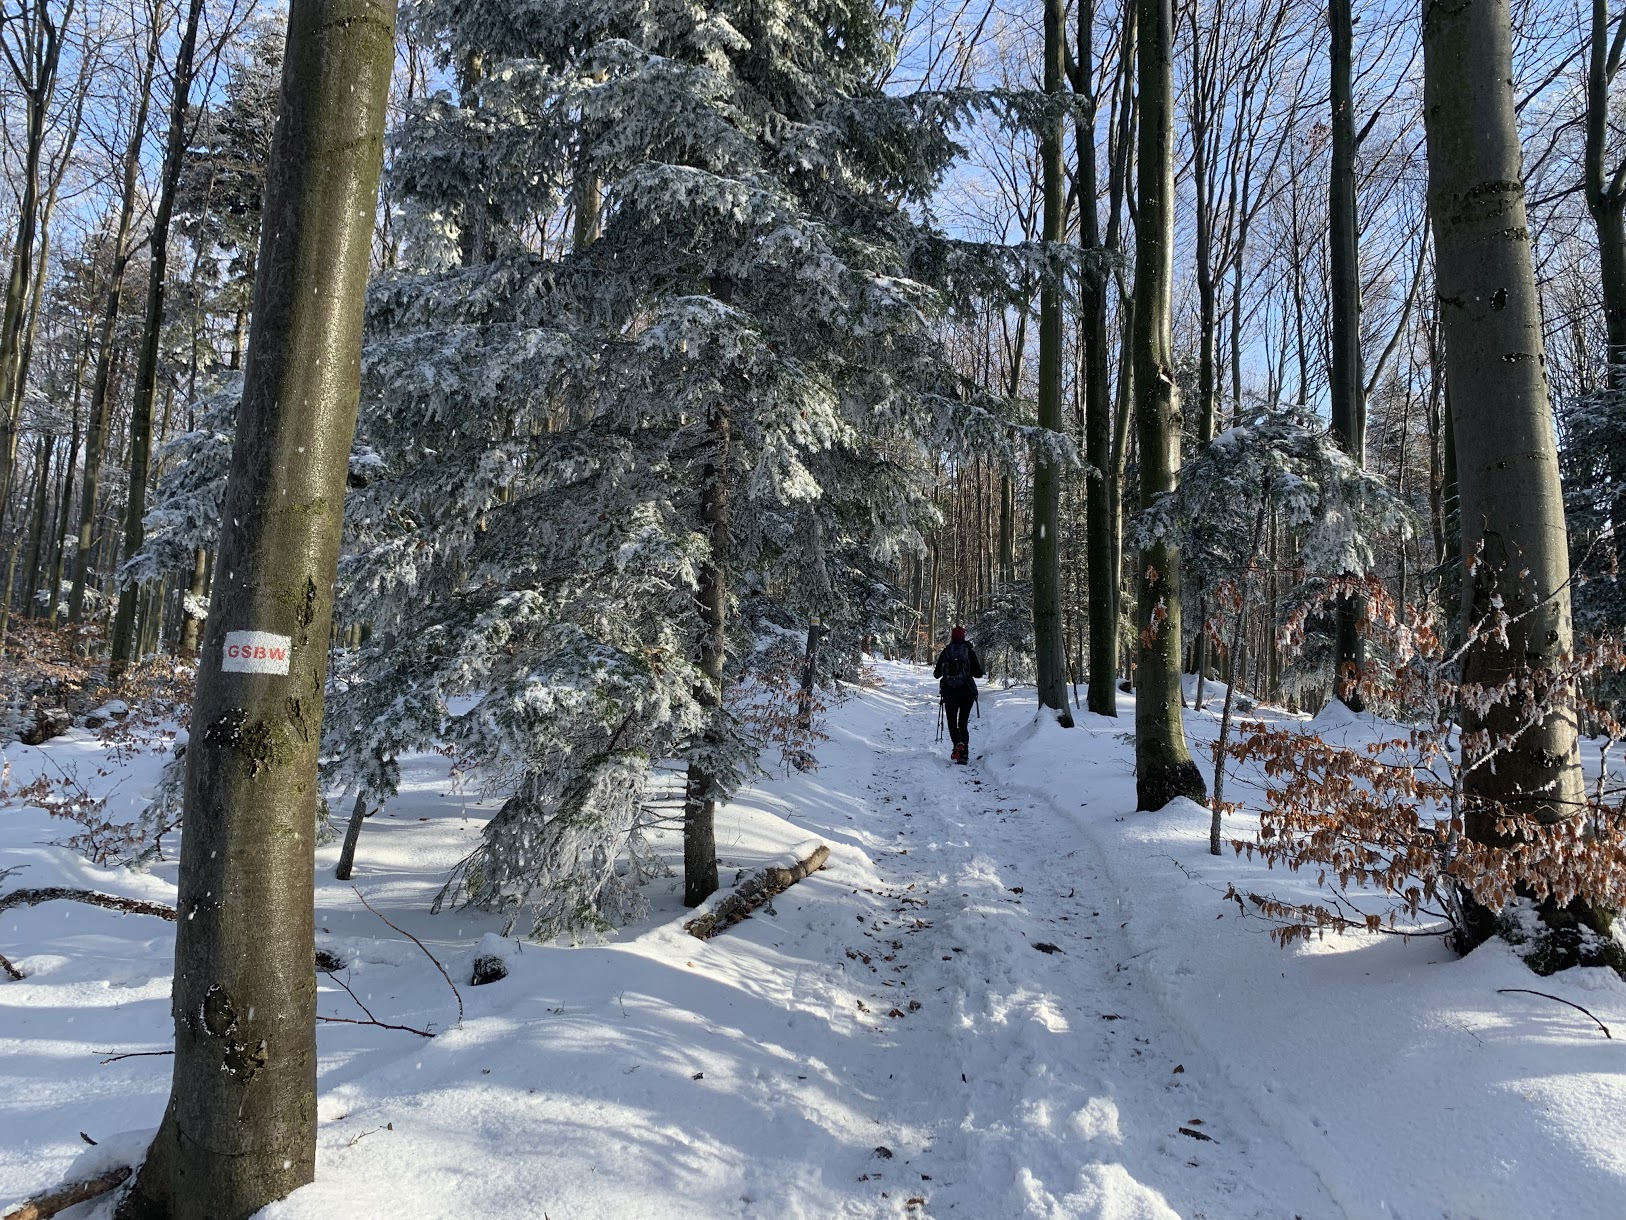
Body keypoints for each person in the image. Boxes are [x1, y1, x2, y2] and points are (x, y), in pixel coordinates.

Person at [933, 625, 984, 764]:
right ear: (963, 636)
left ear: (952, 637)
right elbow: (978, 673)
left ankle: (957, 745)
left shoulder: (946, 652)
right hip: (967, 692)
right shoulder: (969, 652)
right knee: (963, 723)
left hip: (949, 692)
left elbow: (936, 674)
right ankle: (964, 754)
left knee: (952, 722)